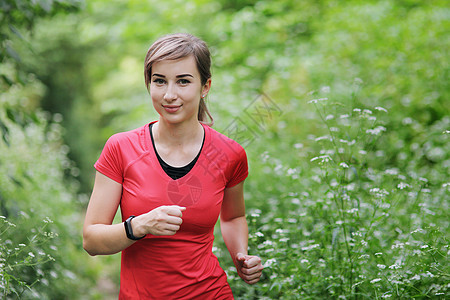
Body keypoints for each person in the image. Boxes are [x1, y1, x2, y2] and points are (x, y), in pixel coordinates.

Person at [83, 33, 264, 299]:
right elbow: (91, 240)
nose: (169, 94)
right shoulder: (121, 148)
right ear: (149, 84)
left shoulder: (230, 154)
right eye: (159, 81)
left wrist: (241, 255)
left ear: (205, 86)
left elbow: (233, 216)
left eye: (183, 81)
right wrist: (139, 225)